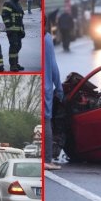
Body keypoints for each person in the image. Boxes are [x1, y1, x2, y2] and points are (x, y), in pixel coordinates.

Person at [44, 15, 64, 170]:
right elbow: (53, 66)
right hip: (45, 88)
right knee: (47, 123)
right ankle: (47, 160)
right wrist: (59, 87)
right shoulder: (47, 39)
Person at [2, 0, 25, 72]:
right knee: (14, 46)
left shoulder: (18, 4)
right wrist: (9, 27)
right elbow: (4, 15)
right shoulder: (8, 3)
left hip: (18, 30)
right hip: (12, 30)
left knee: (18, 46)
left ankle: (16, 63)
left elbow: (20, 18)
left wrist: (22, 30)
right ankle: (13, 65)